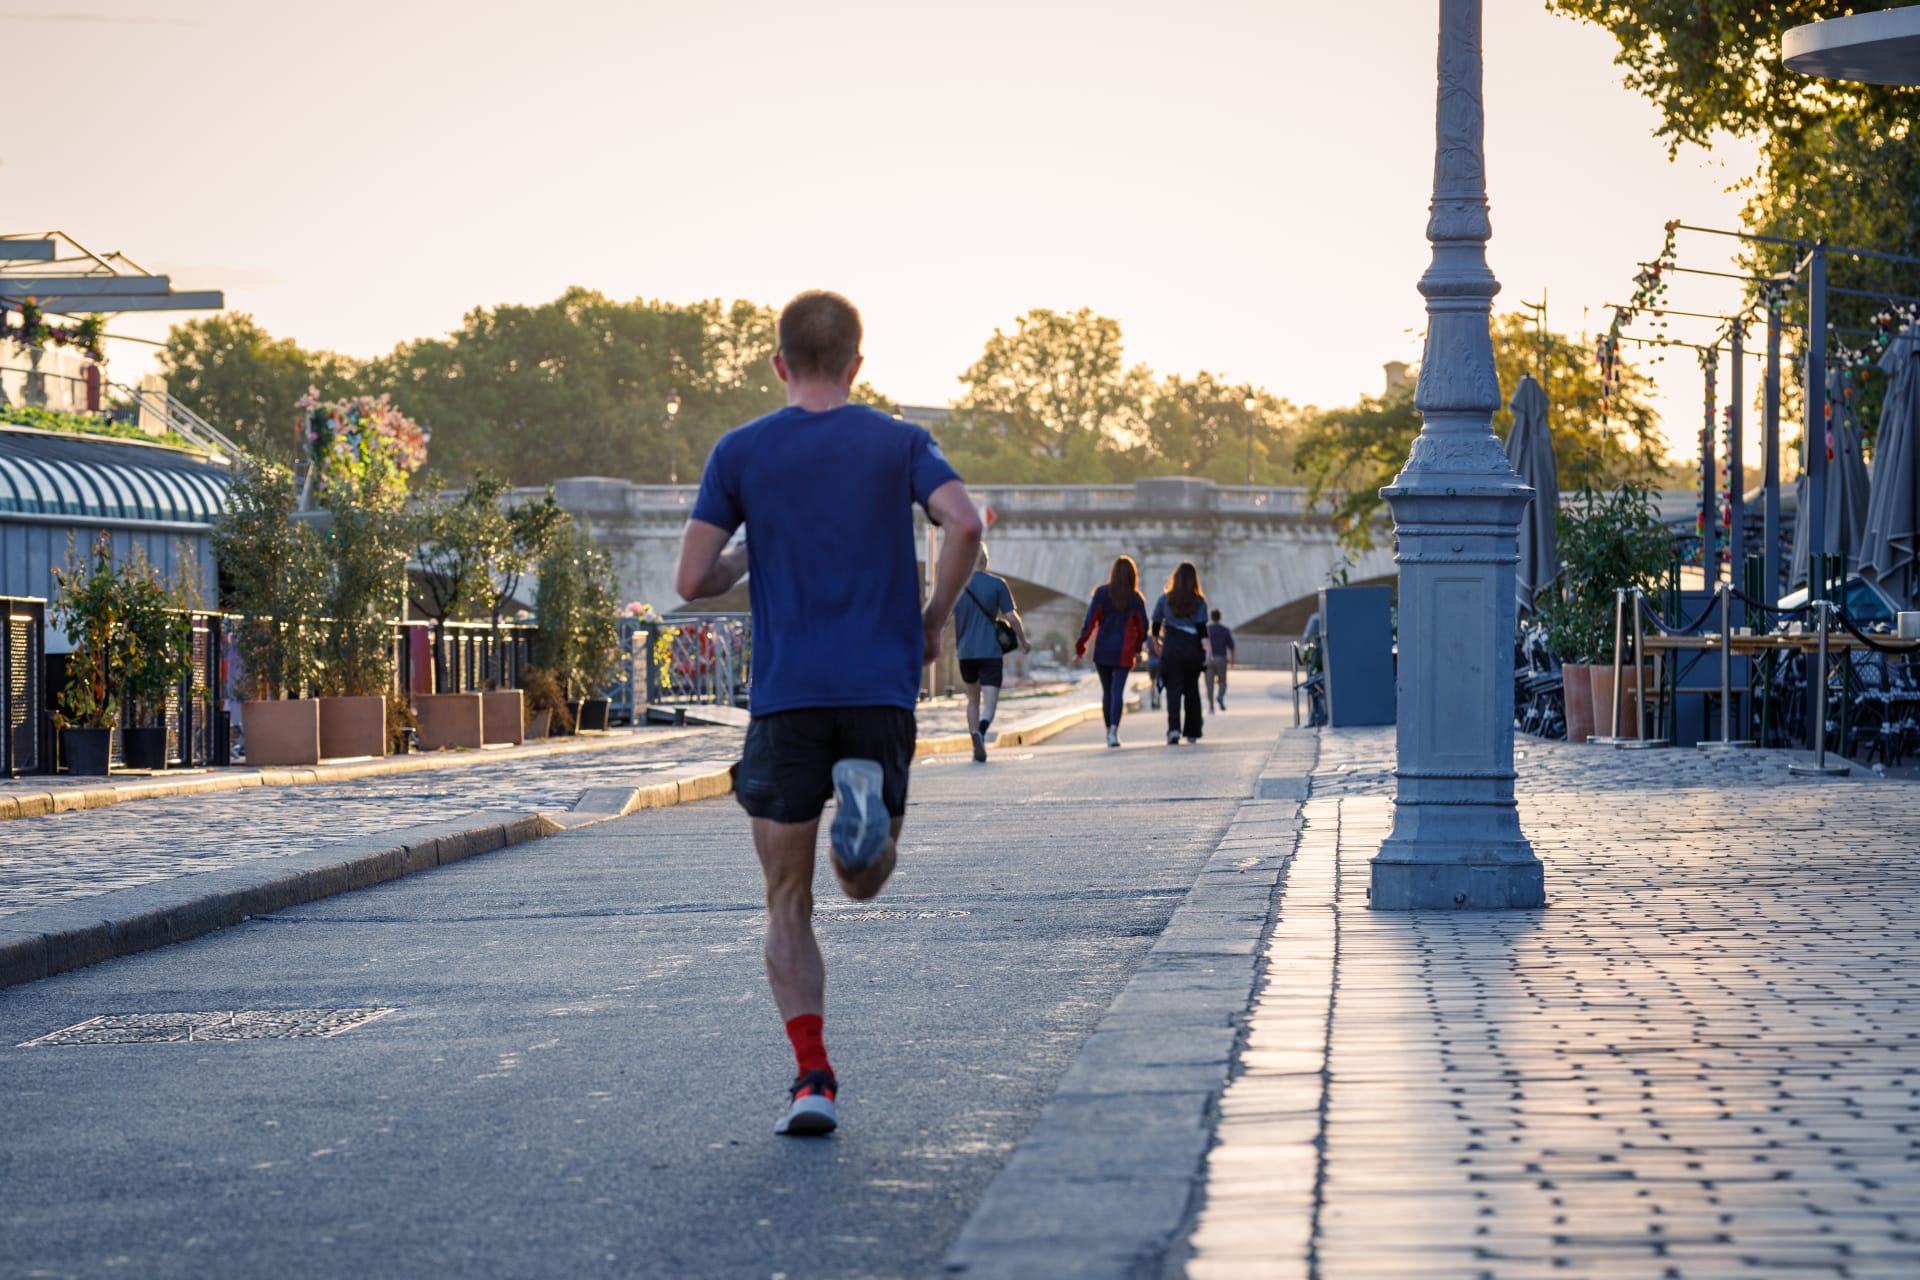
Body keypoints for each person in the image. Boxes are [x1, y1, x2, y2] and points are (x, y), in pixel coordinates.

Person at [674, 290, 983, 1138]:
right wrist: (931, 620)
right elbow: (965, 522)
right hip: (879, 689)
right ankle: (865, 815)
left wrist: (754, 543)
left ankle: (813, 1077)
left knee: (788, 902)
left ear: (779, 363)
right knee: (864, 878)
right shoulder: (899, 442)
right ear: (856, 363)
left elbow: (691, 580)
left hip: (787, 697)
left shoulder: (741, 451)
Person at [951, 543, 1031, 762]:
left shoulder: (957, 586)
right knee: (990, 703)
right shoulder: (997, 584)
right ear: (985, 561)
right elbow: (1012, 618)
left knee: (972, 700)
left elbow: (942, 618)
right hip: (990, 652)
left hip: (965, 653)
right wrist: (1023, 640)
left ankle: (973, 739)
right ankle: (981, 732)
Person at [1073, 555, 1149, 748]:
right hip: (1124, 651)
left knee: (1107, 692)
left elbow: (1089, 622)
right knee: (1117, 692)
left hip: (1103, 650)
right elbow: (1143, 626)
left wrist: (1080, 647)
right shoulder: (1135, 598)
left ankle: (1109, 732)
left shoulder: (1101, 594)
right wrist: (1138, 647)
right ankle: (1114, 730)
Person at [1152, 561, 1210, 744]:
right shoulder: (1199, 602)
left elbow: (1155, 624)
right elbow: (1202, 630)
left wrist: (1156, 642)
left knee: (1174, 691)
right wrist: (1208, 652)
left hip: (1171, 647)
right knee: (1192, 690)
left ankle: (1174, 730)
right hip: (1192, 648)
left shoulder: (1164, 600)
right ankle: (1192, 731)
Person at [1206, 608, 1236, 712]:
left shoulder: (1207, 629)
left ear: (1211, 617)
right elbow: (1231, 646)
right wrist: (1232, 660)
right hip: (1221, 658)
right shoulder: (1225, 630)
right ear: (1220, 617)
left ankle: (1211, 706)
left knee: (1209, 683)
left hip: (1209, 659)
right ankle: (1220, 696)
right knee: (1222, 681)